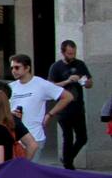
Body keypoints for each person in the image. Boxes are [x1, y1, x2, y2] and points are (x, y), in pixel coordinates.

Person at [8, 54, 72, 150]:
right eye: (12, 68)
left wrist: (49, 114)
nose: (14, 71)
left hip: (35, 136)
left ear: (27, 68)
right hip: (15, 139)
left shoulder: (41, 84)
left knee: (29, 165)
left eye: (17, 67)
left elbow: (68, 97)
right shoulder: (10, 87)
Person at [46, 40, 93, 169]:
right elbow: (49, 86)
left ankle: (67, 158)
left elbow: (89, 84)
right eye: (69, 53)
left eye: (74, 53)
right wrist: (67, 81)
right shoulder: (56, 67)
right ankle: (68, 165)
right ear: (63, 52)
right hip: (63, 107)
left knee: (82, 137)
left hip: (78, 106)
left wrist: (82, 80)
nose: (72, 56)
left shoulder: (80, 64)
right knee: (67, 137)